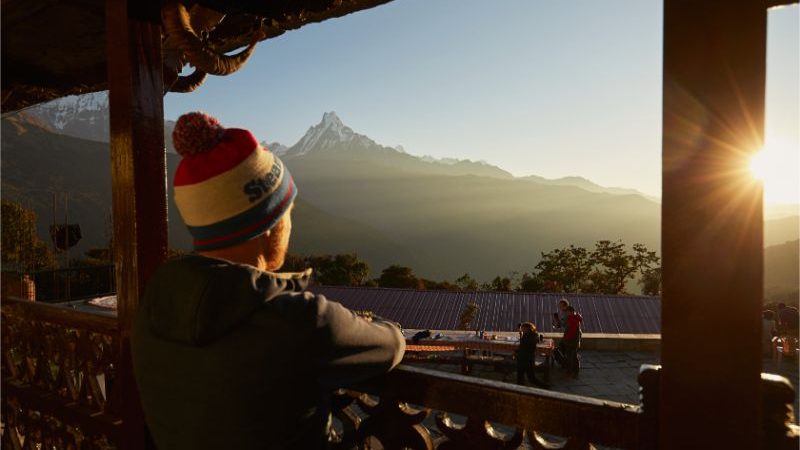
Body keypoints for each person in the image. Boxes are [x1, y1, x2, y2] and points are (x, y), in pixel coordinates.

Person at [131, 112, 405, 450]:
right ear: (269, 226)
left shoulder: (153, 306)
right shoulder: (300, 321)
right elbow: (391, 345)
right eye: (288, 212)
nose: (290, 225)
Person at [516, 322, 548, 388]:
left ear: (527, 328)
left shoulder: (528, 336)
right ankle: (545, 386)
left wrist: (522, 336)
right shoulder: (534, 335)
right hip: (528, 357)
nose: (521, 329)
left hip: (525, 358)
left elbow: (523, 345)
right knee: (526, 376)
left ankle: (545, 386)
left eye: (522, 328)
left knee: (527, 377)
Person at [563, 306, 583, 377]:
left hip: (572, 341)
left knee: (573, 357)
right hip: (572, 340)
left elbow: (573, 332)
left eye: (567, 312)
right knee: (572, 357)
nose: (567, 313)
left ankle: (573, 372)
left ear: (571, 311)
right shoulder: (574, 317)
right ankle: (572, 371)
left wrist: (566, 338)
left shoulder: (574, 319)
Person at [552, 298, 570, 366]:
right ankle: (565, 362)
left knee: (559, 349)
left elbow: (561, 324)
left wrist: (557, 320)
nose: (560, 307)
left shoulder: (567, 313)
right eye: (559, 306)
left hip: (569, 334)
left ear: (565, 305)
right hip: (569, 333)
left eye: (561, 306)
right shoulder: (566, 312)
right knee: (562, 349)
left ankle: (564, 363)